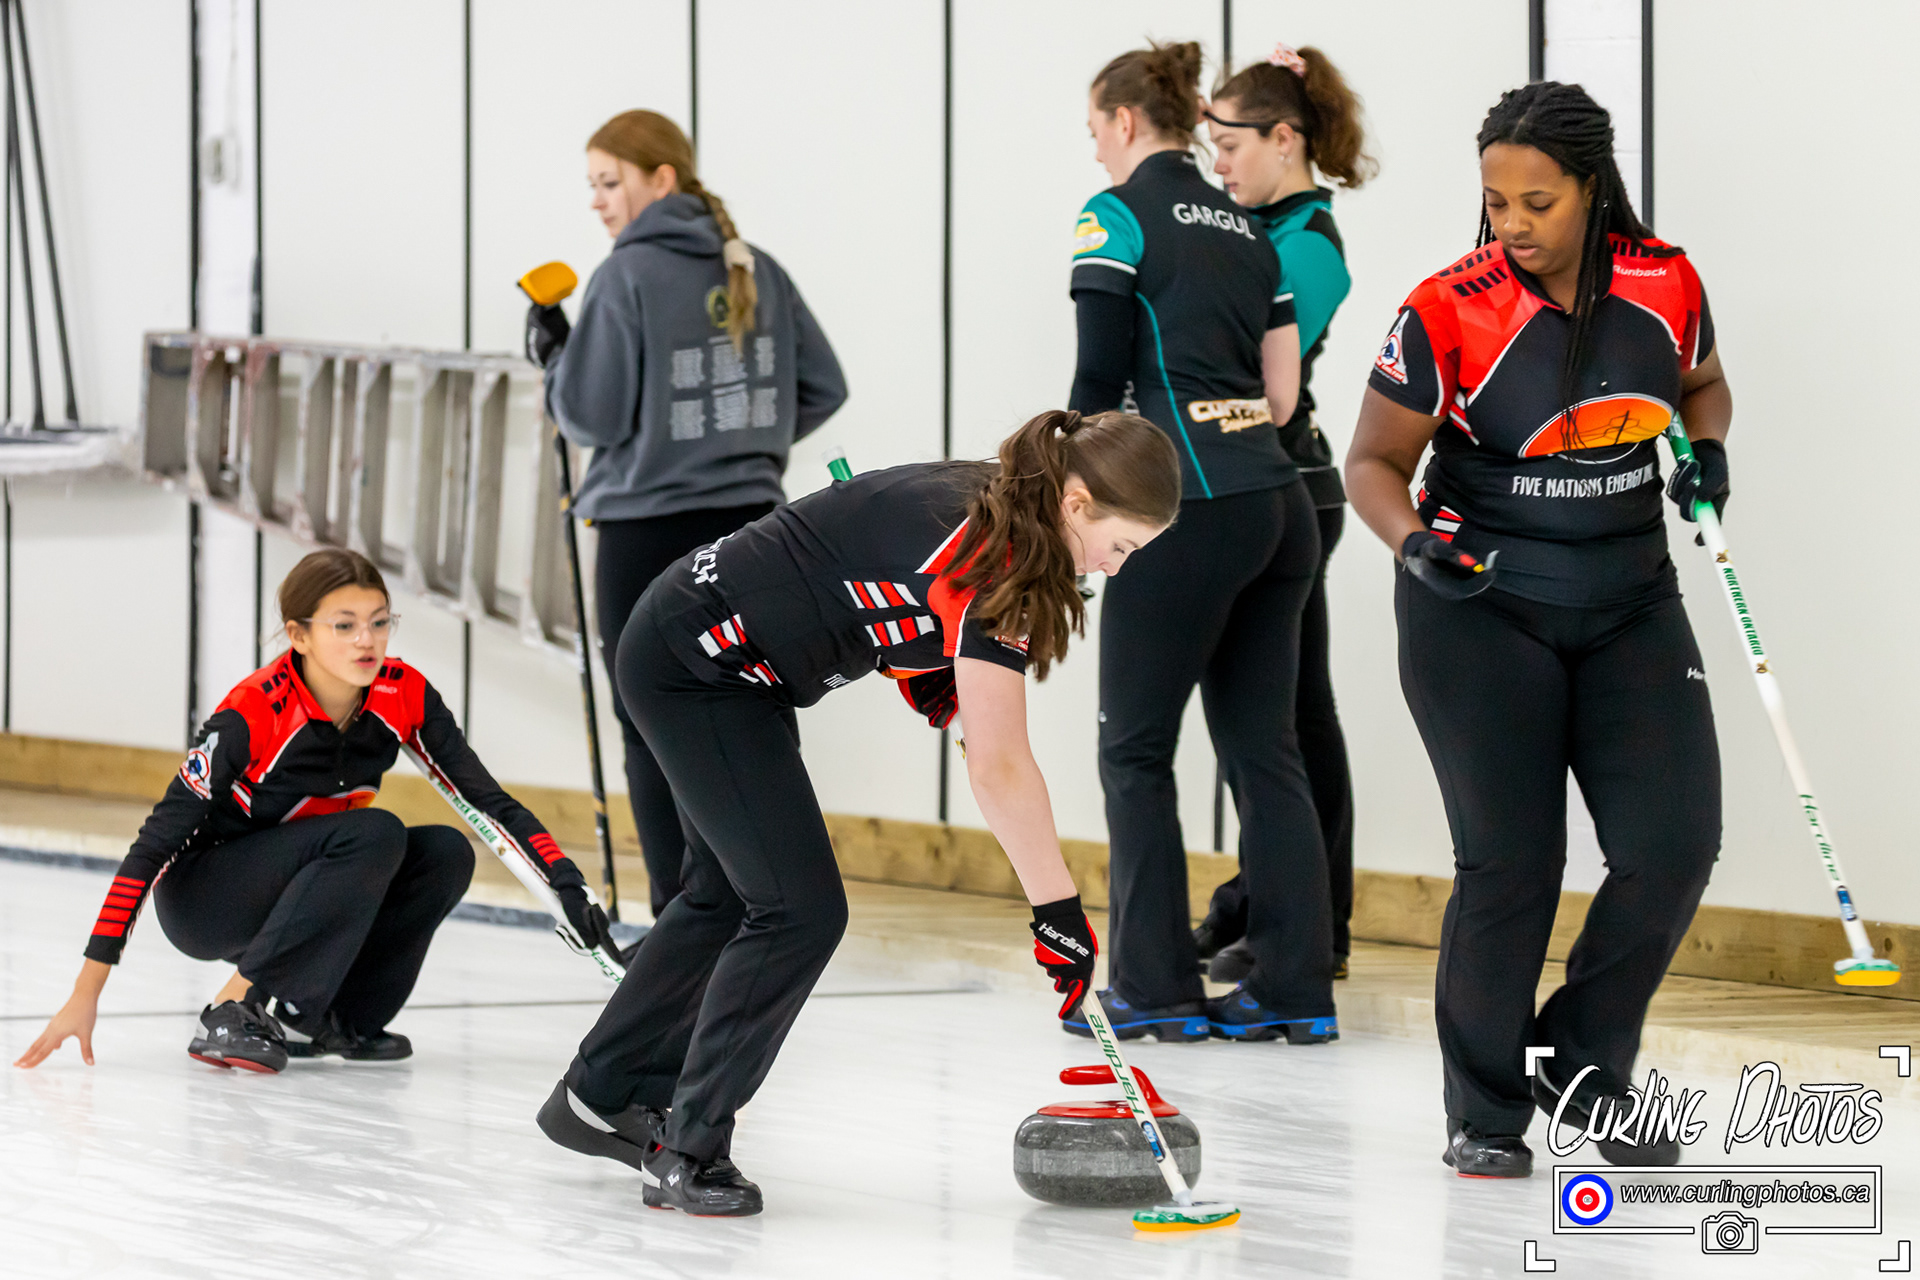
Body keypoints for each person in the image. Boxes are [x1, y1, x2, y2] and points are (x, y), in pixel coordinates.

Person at [535, 409, 1180, 1216]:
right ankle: (686, 1151)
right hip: (698, 668)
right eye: (1121, 546)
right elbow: (1002, 766)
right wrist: (1058, 912)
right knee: (798, 910)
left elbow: (884, 591)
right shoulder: (998, 558)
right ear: (1077, 504)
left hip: (711, 657)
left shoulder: (1003, 500)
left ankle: (598, 1095)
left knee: (725, 895)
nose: (1114, 568)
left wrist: (946, 690)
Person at [1345, 82, 1730, 1178]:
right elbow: (1371, 462)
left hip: (1631, 599)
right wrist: (1413, 545)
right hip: (1480, 605)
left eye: (1537, 202)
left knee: (1672, 847)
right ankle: (1486, 1107)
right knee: (1513, 861)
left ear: (1592, 190)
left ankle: (1579, 1063)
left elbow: (1702, 384)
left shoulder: (1666, 280)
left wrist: (1706, 451)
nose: (1510, 223)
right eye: (1495, 201)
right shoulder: (1447, 306)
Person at [13, 549, 613, 1074]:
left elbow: (487, 801)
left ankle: (323, 1020)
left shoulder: (402, 693)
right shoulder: (253, 713)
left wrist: (567, 883)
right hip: (207, 899)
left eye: (379, 622)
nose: (366, 641)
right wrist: (87, 988)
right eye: (344, 626)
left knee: (445, 852)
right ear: (298, 636)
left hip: (308, 886)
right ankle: (232, 1007)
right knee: (374, 833)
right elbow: (153, 847)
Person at [1067, 40, 1334, 1046]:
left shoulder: (1116, 216)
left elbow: (1096, 389)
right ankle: (1295, 988)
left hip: (1184, 508)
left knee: (1134, 749)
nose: (1095, 150)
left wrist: (1065, 500)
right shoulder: (1253, 231)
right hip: (1277, 505)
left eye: (1095, 130)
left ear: (1126, 121)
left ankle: (1154, 986)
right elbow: (1282, 397)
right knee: (1267, 752)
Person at [529, 109, 847, 920]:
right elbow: (823, 387)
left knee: (652, 724)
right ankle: (767, 908)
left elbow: (591, 417)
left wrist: (557, 360)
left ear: (661, 178)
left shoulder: (626, 276)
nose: (598, 201)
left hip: (648, 534)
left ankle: (683, 926)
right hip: (757, 530)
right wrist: (742, 445)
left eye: (610, 182)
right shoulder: (758, 267)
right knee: (757, 711)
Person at [1194, 41, 1375, 987]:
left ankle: (1312, 919)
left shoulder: (1308, 243)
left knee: (1291, 719)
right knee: (1261, 718)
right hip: (1249, 484)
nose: (1219, 165)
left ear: (1284, 139)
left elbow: (1245, 370)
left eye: (1231, 147)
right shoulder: (1246, 224)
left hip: (1291, 489)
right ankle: (1261, 898)